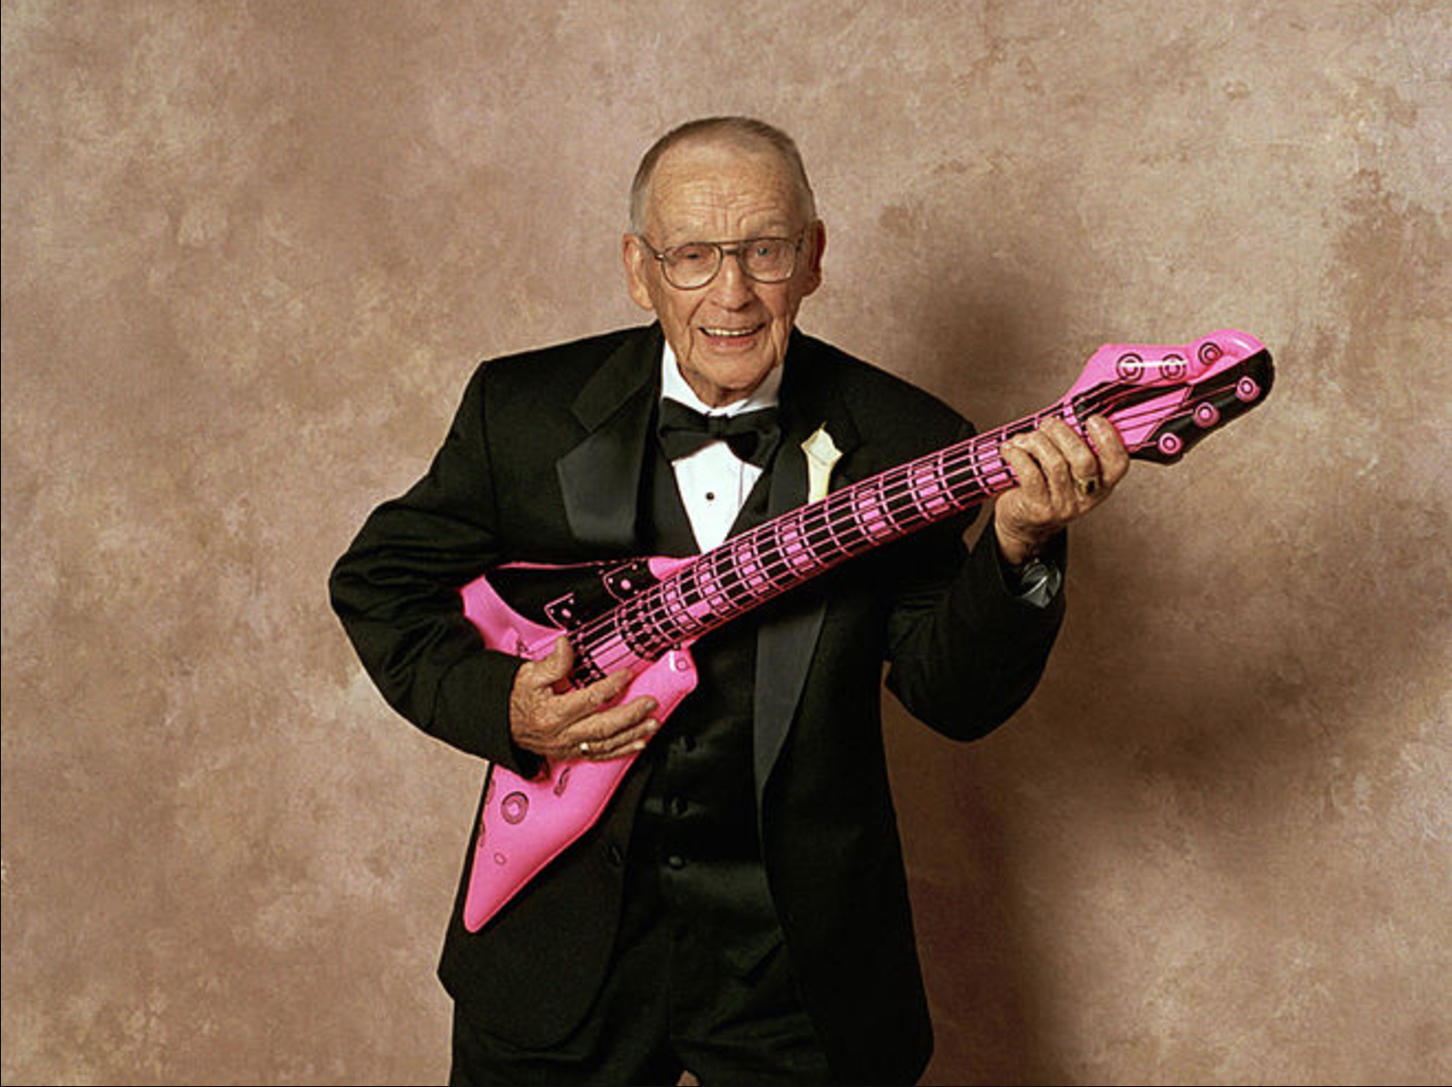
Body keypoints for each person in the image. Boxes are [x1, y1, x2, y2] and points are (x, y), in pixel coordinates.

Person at [329, 116, 1128, 1086]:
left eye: (764, 251)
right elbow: (378, 582)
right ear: (638, 269)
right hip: (562, 943)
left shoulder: (907, 438)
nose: (733, 293)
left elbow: (951, 696)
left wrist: (1019, 546)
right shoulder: (522, 410)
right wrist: (503, 704)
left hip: (797, 963)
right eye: (693, 256)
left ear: (814, 259)